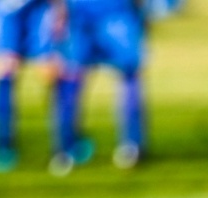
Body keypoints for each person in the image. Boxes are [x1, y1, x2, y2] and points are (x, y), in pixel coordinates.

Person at [50, 0, 148, 171]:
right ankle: (66, 146)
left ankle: (66, 149)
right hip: (90, 13)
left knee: (127, 73)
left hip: (106, 11)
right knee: (72, 76)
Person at [0, 0, 69, 172]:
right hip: (5, 9)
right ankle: (3, 145)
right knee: (5, 67)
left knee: (50, 69)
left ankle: (64, 143)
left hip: (39, 7)